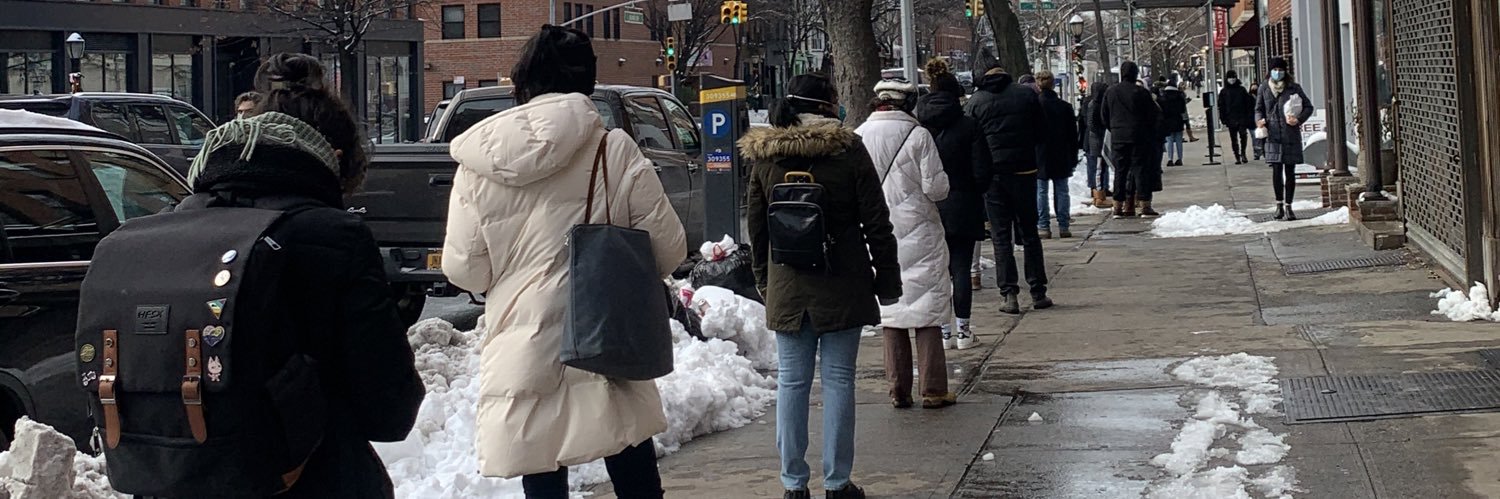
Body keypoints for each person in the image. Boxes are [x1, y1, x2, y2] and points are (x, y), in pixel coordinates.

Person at [441, 27, 685, 498]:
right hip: (607, 335)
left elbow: (466, 269)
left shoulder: (476, 164)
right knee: (629, 452)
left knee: (541, 462)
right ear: (588, 82)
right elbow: (669, 248)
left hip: (523, 341)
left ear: (522, 81)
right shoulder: (613, 149)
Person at [184, 53, 424, 498]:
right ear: (332, 159)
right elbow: (389, 408)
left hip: (178, 476)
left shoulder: (174, 226)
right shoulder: (337, 238)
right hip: (309, 476)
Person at [741, 72, 901, 499]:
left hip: (788, 284)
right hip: (843, 281)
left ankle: (793, 483)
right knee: (838, 381)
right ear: (828, 106)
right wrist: (886, 278)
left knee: (792, 383)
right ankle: (837, 481)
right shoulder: (848, 152)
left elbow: (756, 230)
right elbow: (876, 222)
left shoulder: (766, 156)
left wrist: (764, 281)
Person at [858, 78, 954, 410]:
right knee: (926, 310)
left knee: (891, 311)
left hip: (876, 230)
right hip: (919, 229)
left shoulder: (858, 135)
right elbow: (936, 188)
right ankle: (934, 389)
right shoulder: (919, 136)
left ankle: (898, 389)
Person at [966, 65, 1052, 314]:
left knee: (1001, 236)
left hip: (994, 176)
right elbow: (1041, 132)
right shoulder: (1026, 95)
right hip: (1024, 172)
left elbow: (973, 141)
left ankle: (1009, 294)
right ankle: (1038, 291)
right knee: (1029, 233)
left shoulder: (976, 101)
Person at [917, 58, 990, 351]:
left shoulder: (920, 129)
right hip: (963, 203)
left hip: (930, 206)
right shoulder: (969, 126)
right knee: (961, 268)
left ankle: (943, 331)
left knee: (938, 271)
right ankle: (963, 330)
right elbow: (983, 170)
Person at [1255, 57, 1315, 221]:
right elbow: (1258, 108)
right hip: (1272, 135)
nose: (1278, 72)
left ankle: (1289, 206)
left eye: (1281, 70)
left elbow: (1308, 106)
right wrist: (1259, 120)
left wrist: (1298, 119)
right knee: (1276, 170)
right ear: (1270, 71)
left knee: (1290, 171)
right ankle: (1279, 205)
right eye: (1275, 69)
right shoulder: (1264, 88)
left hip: (1290, 135)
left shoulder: (1293, 88)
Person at [1101, 61, 1161, 218]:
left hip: (1118, 136)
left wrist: (1114, 128)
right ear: (1135, 74)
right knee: (1140, 170)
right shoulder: (1141, 92)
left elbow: (1104, 115)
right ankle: (1144, 205)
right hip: (1139, 136)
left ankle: (1117, 206)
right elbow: (1153, 114)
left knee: (1120, 172)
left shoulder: (1111, 92)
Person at [1033, 70, 1078, 239]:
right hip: (1061, 153)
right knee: (1062, 190)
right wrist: (1072, 157)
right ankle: (1064, 225)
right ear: (1053, 84)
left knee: (1041, 191)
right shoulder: (1065, 107)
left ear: (1038, 85)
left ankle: (1043, 225)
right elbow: (1073, 136)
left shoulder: (1034, 106)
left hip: (1040, 154)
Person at [1082, 82, 1113, 208]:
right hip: (1097, 141)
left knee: (1099, 168)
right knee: (1099, 169)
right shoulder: (1095, 105)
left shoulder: (1093, 104)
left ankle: (1099, 194)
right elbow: (1092, 125)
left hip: (1096, 140)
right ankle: (1099, 196)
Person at [1219, 70, 1255, 164]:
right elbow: (1221, 106)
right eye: (1230, 77)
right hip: (1230, 118)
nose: (1232, 79)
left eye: (1233, 77)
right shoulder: (1224, 92)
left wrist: (1248, 116)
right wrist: (1223, 118)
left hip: (1241, 117)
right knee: (1233, 138)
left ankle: (1243, 153)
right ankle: (1237, 156)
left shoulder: (1241, 90)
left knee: (1243, 135)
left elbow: (1248, 103)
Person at [1158, 79, 1188, 167]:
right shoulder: (1180, 96)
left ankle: (1170, 159)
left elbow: (1160, 110)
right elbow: (1183, 110)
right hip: (1178, 120)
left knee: (1169, 141)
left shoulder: (1163, 97)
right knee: (1179, 140)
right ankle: (1180, 158)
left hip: (1167, 121)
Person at [1249, 81, 1265, 161]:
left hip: (1262, 121)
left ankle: (1263, 152)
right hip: (1252, 121)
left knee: (1262, 137)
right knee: (1255, 138)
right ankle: (1257, 153)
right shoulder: (1248, 97)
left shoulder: (1262, 96)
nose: (1254, 89)